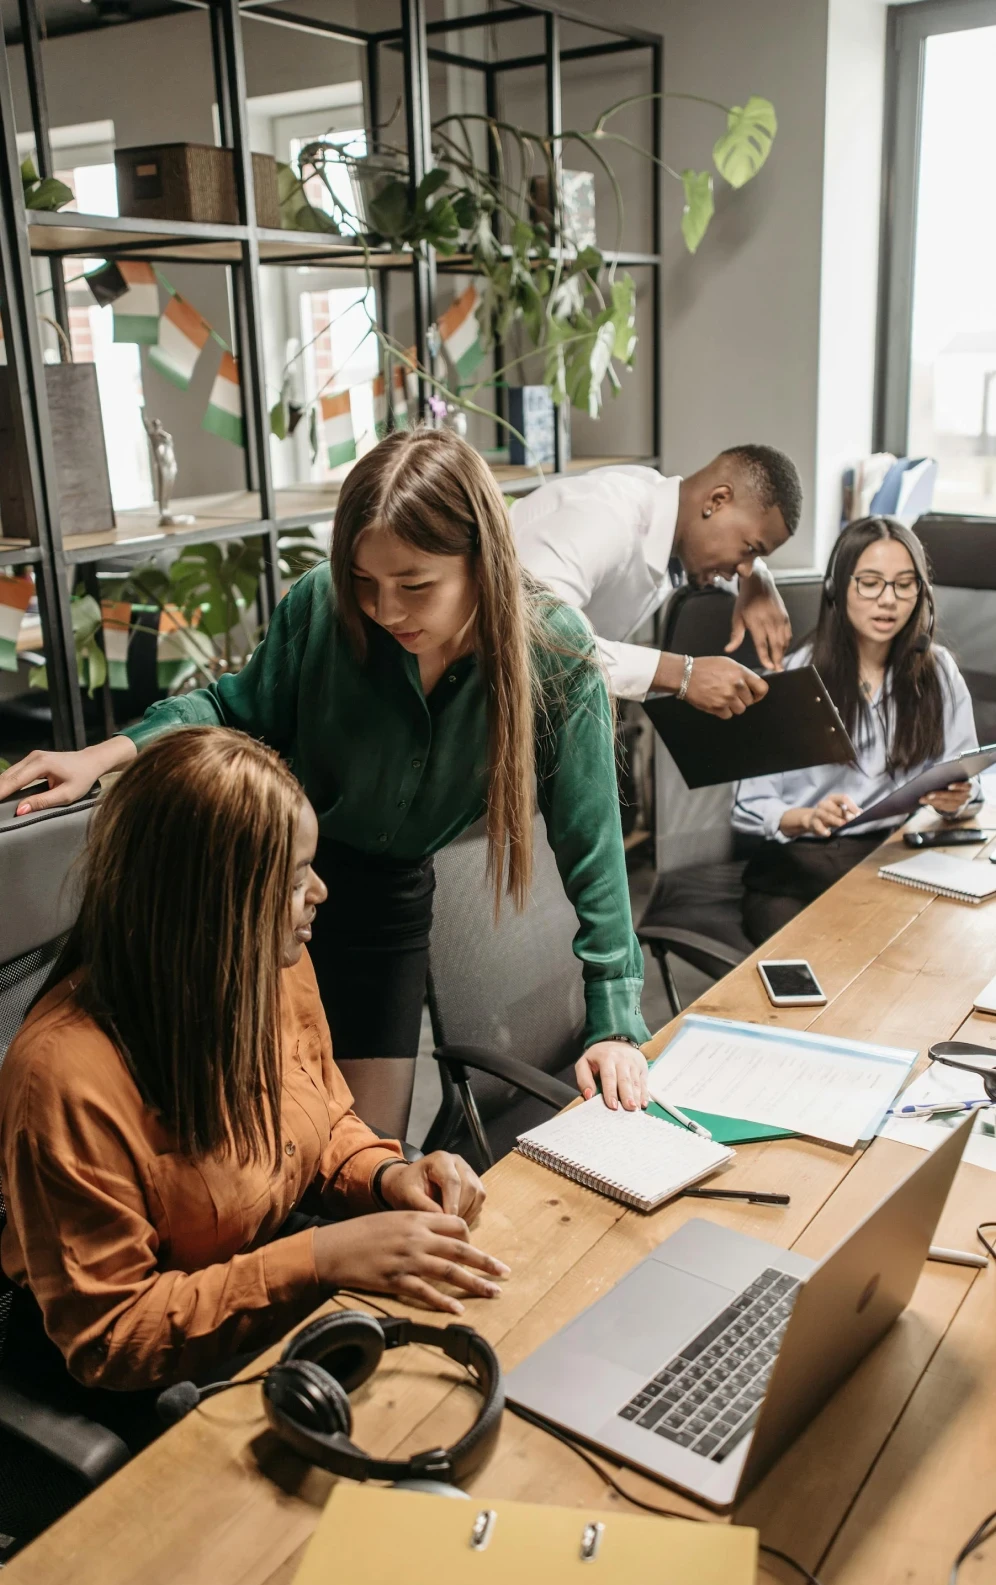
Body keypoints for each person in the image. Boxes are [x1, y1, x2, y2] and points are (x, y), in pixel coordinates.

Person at [0, 429, 650, 1111]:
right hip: (272, 886)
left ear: (482, 562)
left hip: (387, 910)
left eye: (416, 585)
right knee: (252, 1138)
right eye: (365, 581)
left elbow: (595, 855)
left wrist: (615, 1027)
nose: (387, 609)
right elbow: (230, 704)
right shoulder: (323, 603)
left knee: (370, 1147)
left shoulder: (554, 653)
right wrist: (103, 757)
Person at [0, 728, 507, 1446]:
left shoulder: (268, 964)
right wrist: (321, 1259)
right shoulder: (62, 1077)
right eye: (297, 876)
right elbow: (112, 1338)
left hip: (267, 1291)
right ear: (215, 904)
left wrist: (389, 1176)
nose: (321, 893)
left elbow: (325, 1119)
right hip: (141, 1380)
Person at [733, 516, 981, 945]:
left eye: (905, 584)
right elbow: (748, 804)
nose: (888, 600)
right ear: (837, 587)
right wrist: (807, 817)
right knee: (820, 959)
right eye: (870, 582)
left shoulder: (938, 671)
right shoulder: (797, 675)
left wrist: (958, 797)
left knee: (936, 950)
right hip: (802, 863)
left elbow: (967, 779)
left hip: (895, 856)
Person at [510, 446, 803, 714]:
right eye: (750, 548)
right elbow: (530, 636)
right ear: (717, 500)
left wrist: (758, 582)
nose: (745, 569)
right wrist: (683, 674)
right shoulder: (606, 519)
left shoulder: (673, 517)